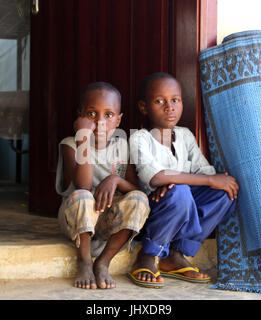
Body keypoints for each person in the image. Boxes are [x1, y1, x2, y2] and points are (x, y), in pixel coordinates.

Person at [127, 72, 239, 288]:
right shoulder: (139, 138)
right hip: (153, 214)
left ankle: (175, 255)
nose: (169, 107)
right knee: (180, 191)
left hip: (181, 204)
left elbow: (204, 171)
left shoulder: (185, 135)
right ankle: (149, 255)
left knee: (226, 191)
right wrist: (180, 184)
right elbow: (157, 176)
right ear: (143, 107)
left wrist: (203, 181)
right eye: (159, 101)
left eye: (175, 100)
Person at [55, 82, 150, 290]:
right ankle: (85, 261)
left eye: (108, 115)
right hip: (76, 221)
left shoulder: (122, 146)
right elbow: (83, 184)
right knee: (82, 195)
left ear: (118, 120)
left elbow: (135, 188)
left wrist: (115, 179)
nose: (100, 122)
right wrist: (83, 140)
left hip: (108, 221)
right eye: (91, 114)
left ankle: (103, 261)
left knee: (139, 199)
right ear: (80, 116)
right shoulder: (70, 144)